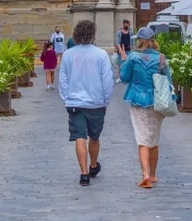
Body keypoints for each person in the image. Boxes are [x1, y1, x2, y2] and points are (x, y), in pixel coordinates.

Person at [58, 20, 114, 186]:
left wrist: (66, 98)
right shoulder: (101, 54)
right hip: (96, 102)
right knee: (94, 137)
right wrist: (106, 100)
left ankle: (83, 174)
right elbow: (107, 80)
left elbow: (63, 79)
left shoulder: (68, 54)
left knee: (79, 137)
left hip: (75, 102)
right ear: (93, 34)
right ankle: (93, 165)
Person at [119, 27, 167, 189]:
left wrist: (124, 60)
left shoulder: (133, 57)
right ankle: (153, 174)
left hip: (138, 99)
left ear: (139, 40)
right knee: (153, 139)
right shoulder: (161, 58)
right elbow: (168, 81)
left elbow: (125, 78)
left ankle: (145, 174)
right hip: (157, 101)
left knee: (142, 139)